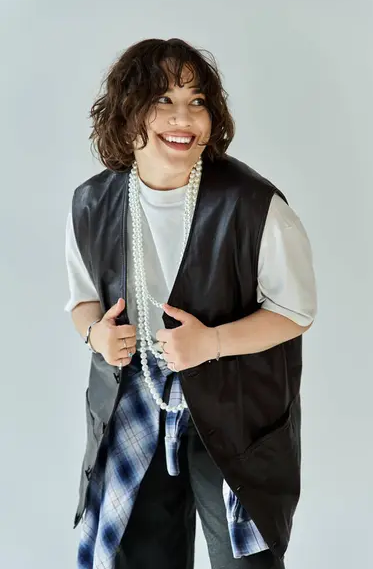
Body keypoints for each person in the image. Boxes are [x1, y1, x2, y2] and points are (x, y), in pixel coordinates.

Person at [64, 38, 317, 569]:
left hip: (232, 407)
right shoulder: (91, 203)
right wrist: (96, 335)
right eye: (163, 99)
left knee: (241, 560)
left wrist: (213, 343)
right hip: (133, 400)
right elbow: (82, 300)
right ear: (126, 112)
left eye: (197, 101)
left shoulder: (255, 204)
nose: (184, 118)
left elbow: (295, 311)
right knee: (137, 554)